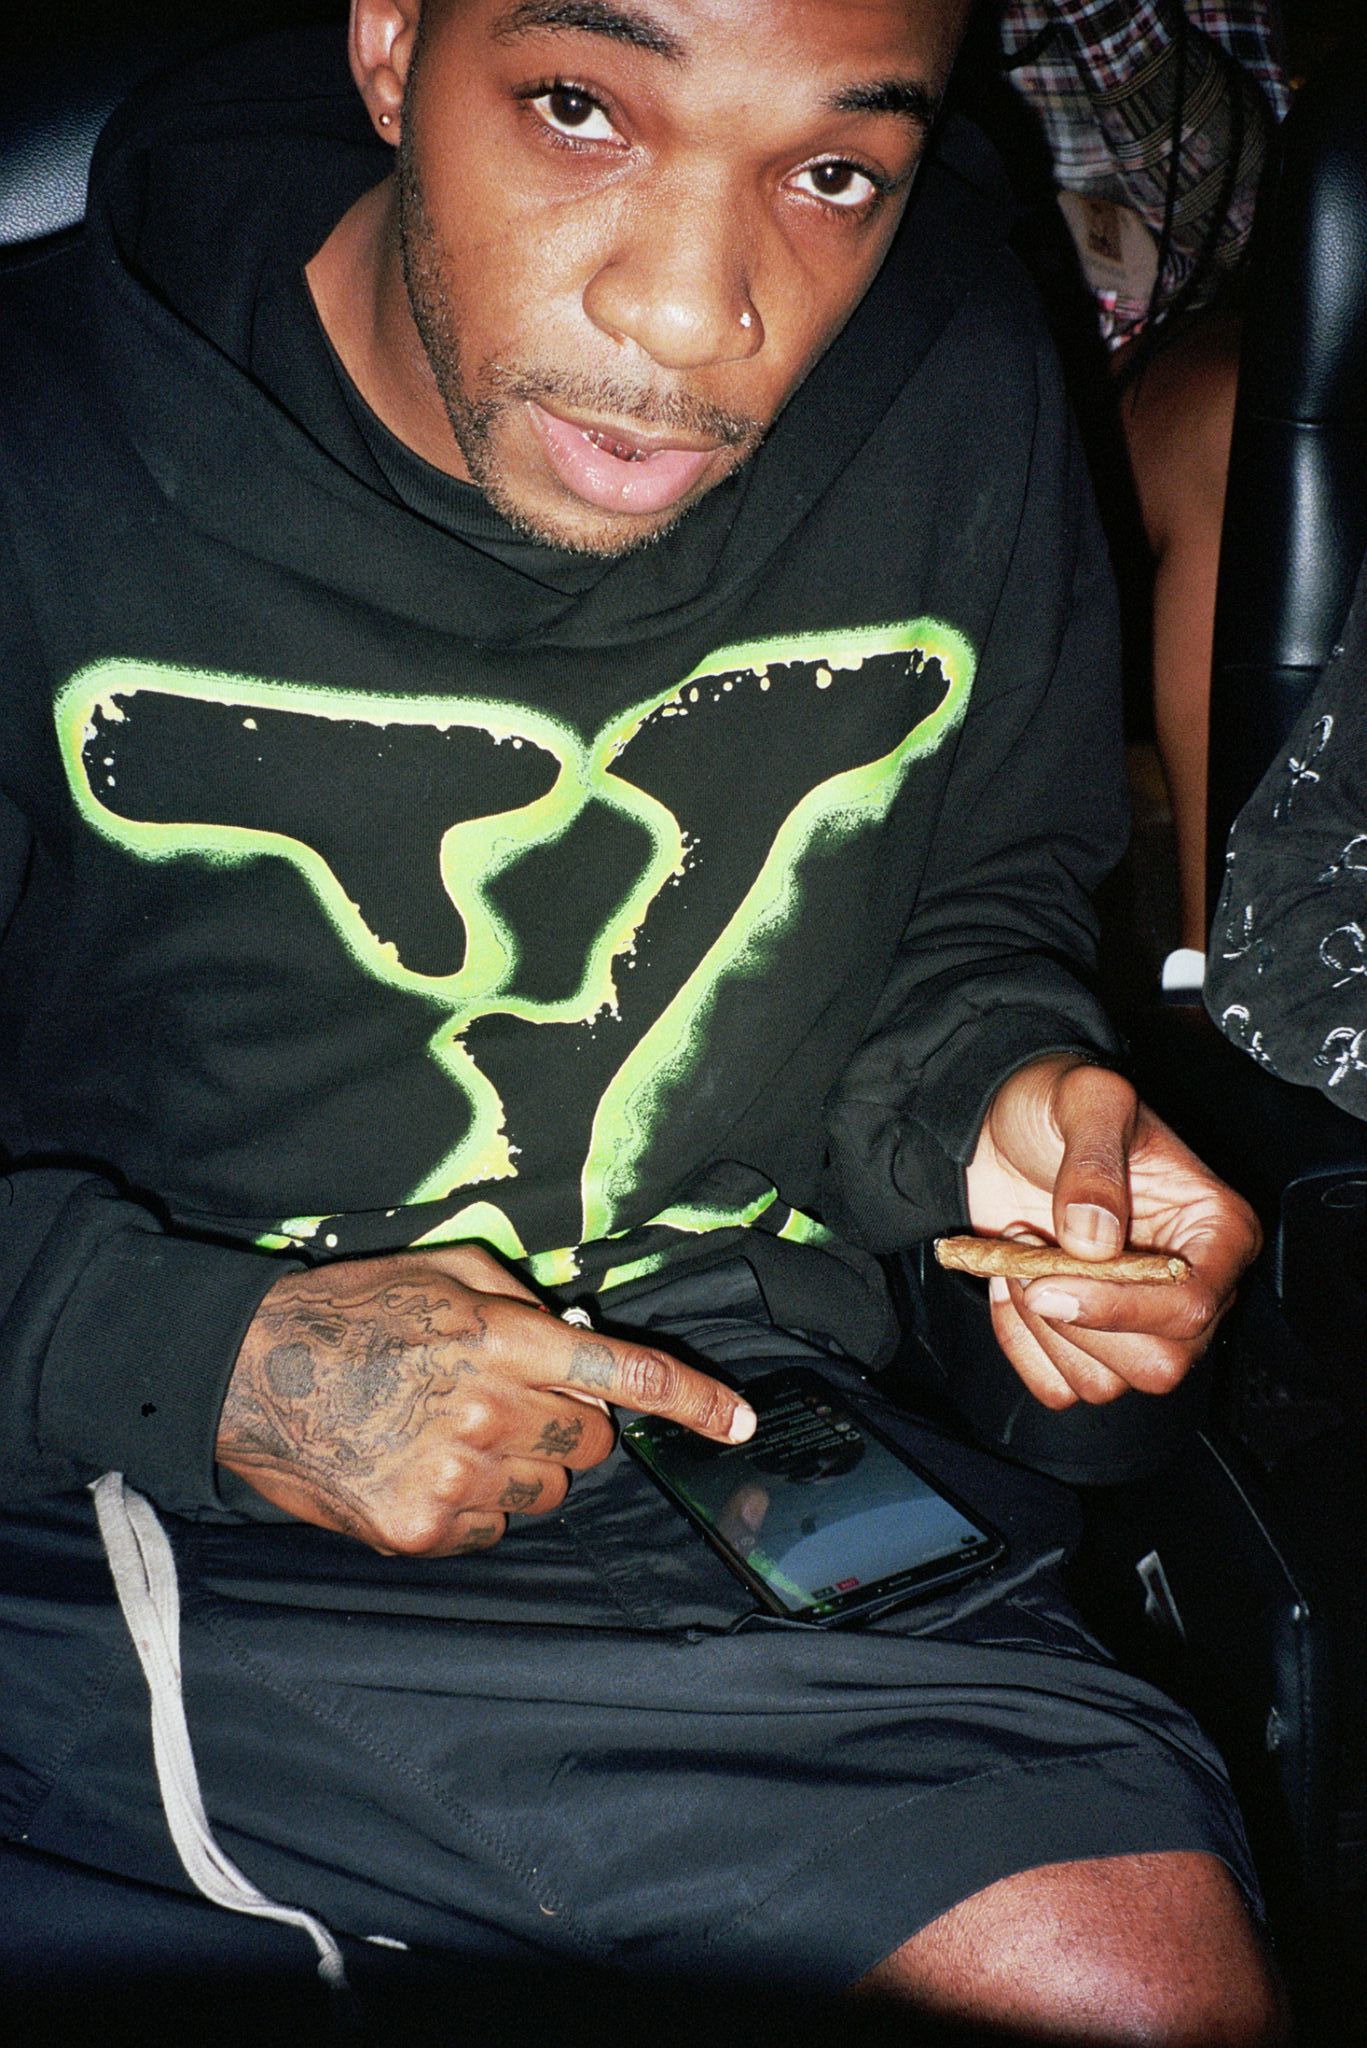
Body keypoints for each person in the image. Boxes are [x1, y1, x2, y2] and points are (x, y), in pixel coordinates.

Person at [0, 2, 1281, 2041]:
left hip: (725, 1440)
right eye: (580, 110)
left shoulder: (946, 370)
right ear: (393, 46)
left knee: (1121, 1974)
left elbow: (963, 908)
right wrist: (186, 1356)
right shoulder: (40, 435)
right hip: (94, 1460)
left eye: (830, 171)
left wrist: (1001, 1103)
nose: (694, 312)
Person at [993, 0, 1290, 976]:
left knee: (1238, 422)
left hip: (1133, 354)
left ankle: (1226, 974)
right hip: (938, 325)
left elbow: (1251, 218)